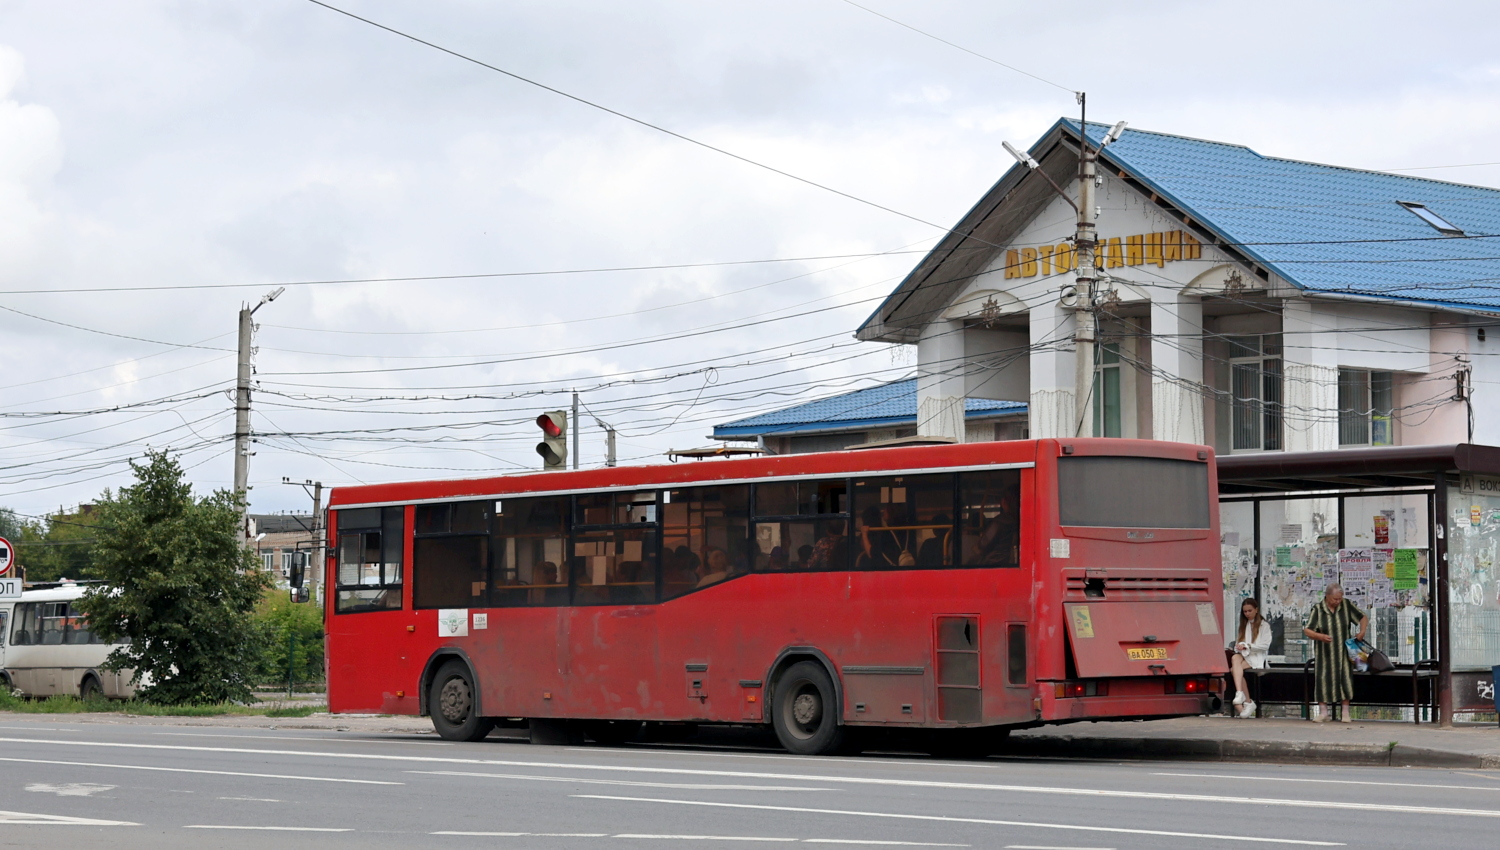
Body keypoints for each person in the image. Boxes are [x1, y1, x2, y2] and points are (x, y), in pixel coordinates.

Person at [1303, 583, 1369, 723]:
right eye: (1335, 599)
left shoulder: (1346, 605)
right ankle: (1323, 712)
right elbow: (1308, 630)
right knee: (1322, 680)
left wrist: (1362, 631)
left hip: (1344, 651)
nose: (1338, 601)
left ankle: (1345, 713)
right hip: (1324, 653)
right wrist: (1320, 636)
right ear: (1327, 597)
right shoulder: (1318, 609)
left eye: (1339, 598)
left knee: (1345, 679)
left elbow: (1362, 617)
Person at [1229, 598, 1272, 718]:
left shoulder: (1264, 626)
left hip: (1257, 656)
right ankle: (1240, 694)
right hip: (1244, 655)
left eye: (1249, 611)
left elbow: (1265, 645)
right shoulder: (1244, 625)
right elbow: (1239, 643)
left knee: (1234, 670)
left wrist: (1248, 646)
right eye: (1245, 611)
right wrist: (1240, 646)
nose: (1247, 614)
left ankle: (1246, 700)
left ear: (1256, 610)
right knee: (1234, 659)